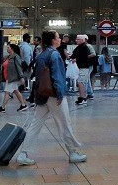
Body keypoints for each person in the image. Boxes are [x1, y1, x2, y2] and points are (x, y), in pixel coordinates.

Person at [16, 31, 87, 166]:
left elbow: (38, 76)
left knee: (35, 124)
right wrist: (60, 93)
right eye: (58, 37)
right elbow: (57, 75)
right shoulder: (54, 54)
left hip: (42, 94)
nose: (60, 39)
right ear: (53, 40)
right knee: (65, 123)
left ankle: (23, 153)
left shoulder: (41, 54)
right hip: (54, 95)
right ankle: (72, 152)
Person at [0, 43, 29, 113]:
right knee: (16, 91)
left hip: (12, 78)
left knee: (7, 92)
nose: (7, 49)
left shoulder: (16, 57)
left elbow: (19, 67)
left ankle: (3, 107)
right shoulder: (8, 57)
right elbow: (4, 67)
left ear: (12, 49)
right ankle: (23, 105)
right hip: (8, 77)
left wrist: (21, 77)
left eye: (8, 48)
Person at [70, 34, 96, 106]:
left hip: (84, 67)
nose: (76, 40)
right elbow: (74, 55)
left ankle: (83, 97)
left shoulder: (85, 47)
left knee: (81, 82)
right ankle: (83, 96)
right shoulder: (79, 47)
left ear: (82, 40)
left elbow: (84, 57)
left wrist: (76, 59)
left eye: (78, 39)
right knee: (82, 82)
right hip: (82, 67)